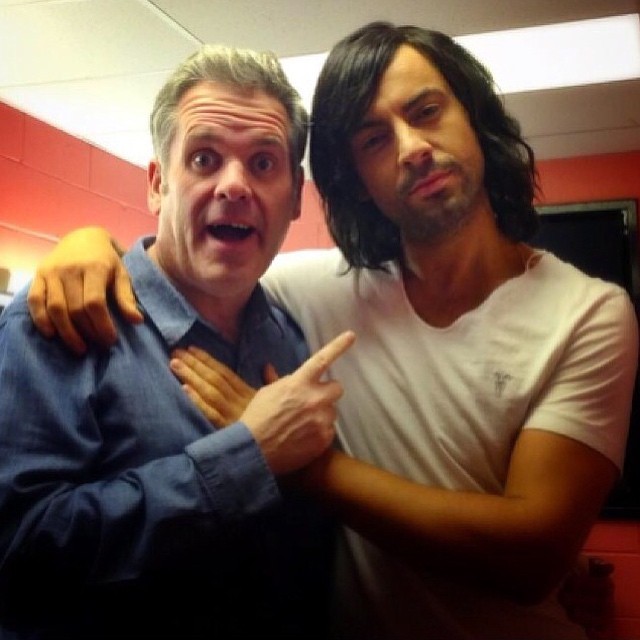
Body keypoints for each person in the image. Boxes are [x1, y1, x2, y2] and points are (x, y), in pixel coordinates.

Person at [24, 22, 637, 640]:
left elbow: (531, 558)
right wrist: (88, 245)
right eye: (374, 139)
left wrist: (293, 462)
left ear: (474, 118)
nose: (412, 148)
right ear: (356, 180)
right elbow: (191, 267)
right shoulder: (313, 292)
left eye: (426, 111)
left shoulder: (587, 313)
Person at [0, 43, 356, 640]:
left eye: (263, 163)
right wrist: (247, 458)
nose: (234, 185)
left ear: (296, 196)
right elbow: (16, 553)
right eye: (204, 158)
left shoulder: (294, 339)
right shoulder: (61, 319)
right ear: (158, 183)